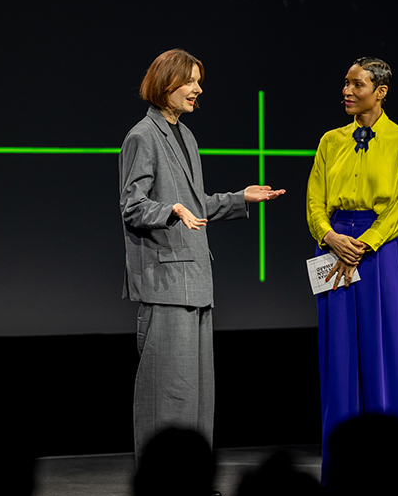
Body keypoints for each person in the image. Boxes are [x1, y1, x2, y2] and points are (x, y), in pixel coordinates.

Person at [119, 49, 285, 467]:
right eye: (190, 81)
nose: (198, 89)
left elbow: (195, 205)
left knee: (196, 391)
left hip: (195, 279)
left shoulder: (186, 136)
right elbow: (132, 206)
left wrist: (239, 198)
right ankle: (161, 478)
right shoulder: (143, 136)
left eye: (199, 81)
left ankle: (190, 475)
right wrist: (170, 210)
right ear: (166, 83)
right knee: (166, 390)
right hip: (165, 281)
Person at [305, 57, 398, 496]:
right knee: (338, 360)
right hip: (333, 249)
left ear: (381, 92)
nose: (346, 91)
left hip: (377, 251)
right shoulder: (330, 141)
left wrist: (363, 244)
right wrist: (329, 236)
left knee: (387, 355)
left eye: (356, 84)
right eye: (345, 83)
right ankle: (339, 473)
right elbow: (315, 200)